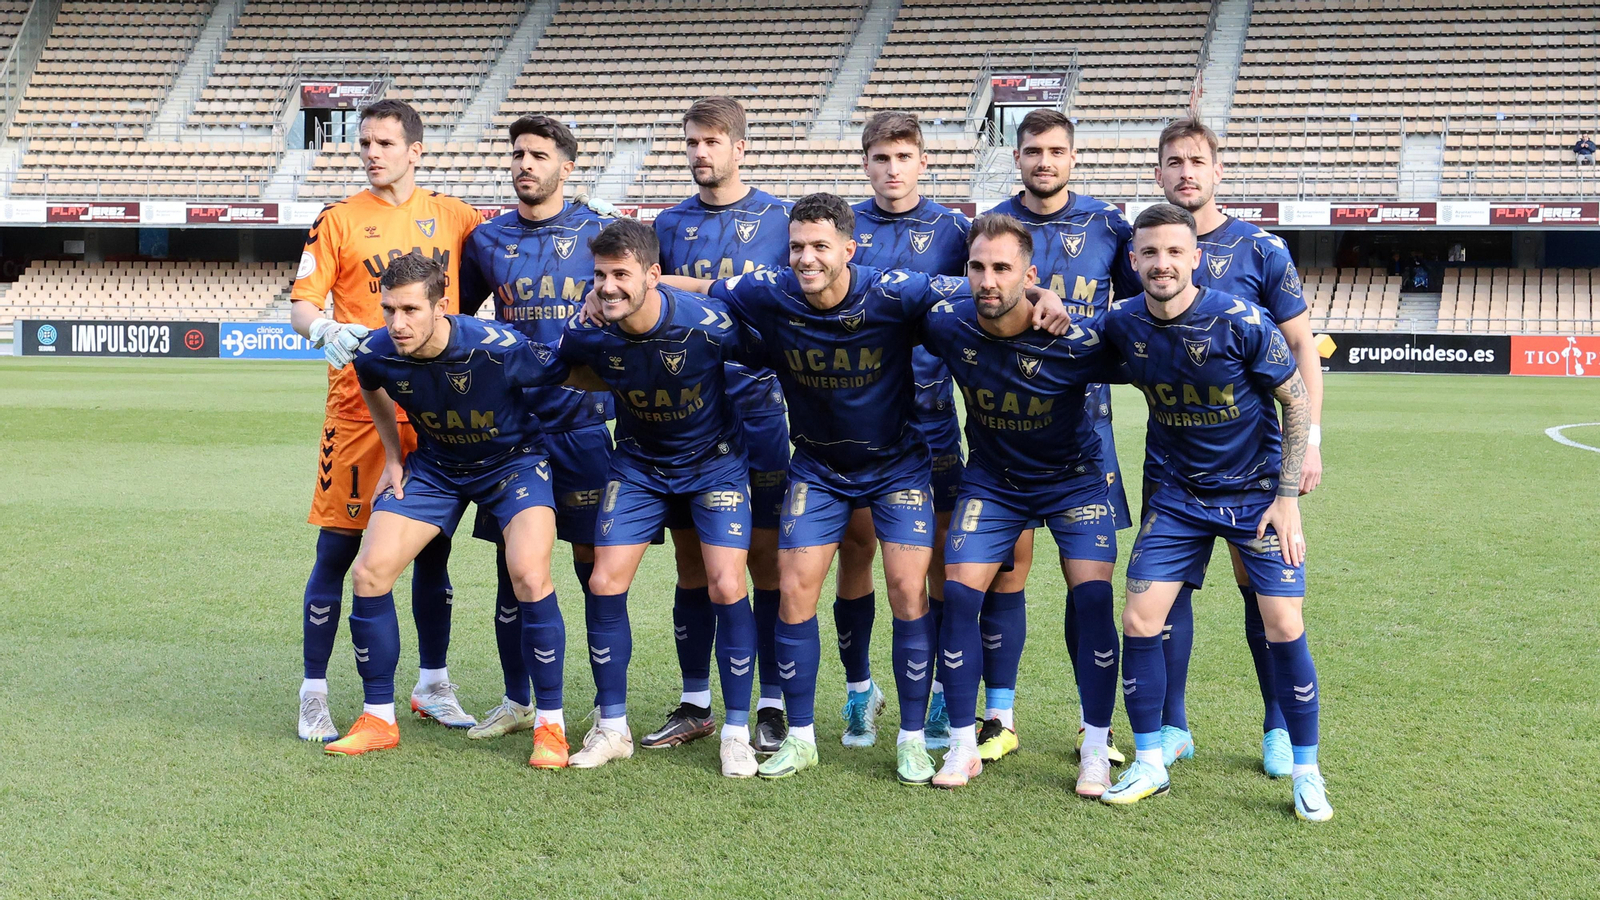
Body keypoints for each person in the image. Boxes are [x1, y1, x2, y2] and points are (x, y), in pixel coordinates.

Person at [654, 192, 1073, 784]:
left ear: (849, 249)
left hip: (899, 467)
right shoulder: (767, 289)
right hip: (818, 469)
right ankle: (800, 738)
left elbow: (978, 291)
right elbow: (698, 291)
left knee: (908, 592)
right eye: (797, 246)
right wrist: (633, 289)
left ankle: (909, 740)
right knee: (796, 592)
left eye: (821, 246)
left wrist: (1043, 295)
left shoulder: (893, 290)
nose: (806, 258)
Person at [1097, 203, 1329, 823]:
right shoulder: (1120, 322)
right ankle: (1150, 760)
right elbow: (1072, 348)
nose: (1162, 263)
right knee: (1140, 619)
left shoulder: (1242, 320)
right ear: (1134, 260)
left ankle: (1305, 770)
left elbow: (1295, 401)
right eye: (1149, 252)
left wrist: (1287, 500)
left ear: (1196, 257)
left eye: (1175, 252)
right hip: (1177, 497)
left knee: (1282, 623)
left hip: (1256, 495)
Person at [326, 252, 578, 761]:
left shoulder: (497, 347)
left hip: (513, 464)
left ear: (441, 306)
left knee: (530, 574)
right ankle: (378, 719)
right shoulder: (376, 349)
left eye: (411, 311)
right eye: (389, 309)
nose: (397, 324)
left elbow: (566, 374)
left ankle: (550, 726)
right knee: (370, 573)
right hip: (437, 468)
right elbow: (370, 383)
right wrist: (394, 456)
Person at [288, 98, 484, 743]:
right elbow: (303, 305)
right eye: (365, 143)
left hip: (437, 410)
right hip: (359, 411)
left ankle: (432, 685)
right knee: (338, 551)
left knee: (433, 554)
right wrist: (326, 331)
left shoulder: (456, 218)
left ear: (415, 150)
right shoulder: (339, 220)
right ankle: (314, 692)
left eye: (384, 143)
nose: (371, 153)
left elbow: (486, 290)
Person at [919, 214, 1122, 796]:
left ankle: (1095, 747)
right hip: (992, 482)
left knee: (1093, 602)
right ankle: (962, 744)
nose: (988, 280)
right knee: (958, 594)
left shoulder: (1074, 338)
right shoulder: (948, 322)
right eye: (978, 267)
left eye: (1003, 268)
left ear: (1029, 274)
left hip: (1075, 481)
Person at [554, 219, 761, 777]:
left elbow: (768, 356)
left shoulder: (708, 323)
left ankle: (736, 732)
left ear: (652, 275)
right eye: (599, 276)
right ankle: (613, 727)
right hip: (639, 465)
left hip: (714, 464)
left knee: (725, 583)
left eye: (621, 274)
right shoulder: (591, 329)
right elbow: (563, 369)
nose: (607, 286)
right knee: (603, 580)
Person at [1151, 117, 1325, 775]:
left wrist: (1309, 443)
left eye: (1197, 160)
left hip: (1253, 460)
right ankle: (1171, 726)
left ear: (1218, 171)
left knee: (1264, 591)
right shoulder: (1144, 243)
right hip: (1171, 456)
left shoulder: (1261, 249)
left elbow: (1302, 349)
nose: (1186, 172)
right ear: (1158, 172)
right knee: (1168, 592)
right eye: (1174, 162)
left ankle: (1278, 726)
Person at [983, 108, 1140, 766]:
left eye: (1056, 151)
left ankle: (1090, 726)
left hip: (1086, 434)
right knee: (1004, 576)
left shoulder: (1109, 225)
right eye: (1032, 150)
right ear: (1015, 157)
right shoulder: (991, 224)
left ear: (1073, 157)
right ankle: (999, 715)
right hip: (1005, 433)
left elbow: (1137, 313)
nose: (1044, 161)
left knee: (1090, 585)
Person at [457, 115, 615, 741]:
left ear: (566, 167)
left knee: (593, 566)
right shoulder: (486, 240)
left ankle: (609, 703)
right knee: (511, 567)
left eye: (539, 155)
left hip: (582, 423)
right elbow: (457, 319)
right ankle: (516, 698)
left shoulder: (598, 231)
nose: (525, 164)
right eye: (518, 153)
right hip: (514, 430)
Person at [649, 97, 794, 752]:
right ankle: (695, 701)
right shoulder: (667, 222)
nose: (701, 153)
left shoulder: (779, 218)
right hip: (687, 416)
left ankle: (770, 702)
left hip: (759, 408)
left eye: (713, 141)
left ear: (741, 148)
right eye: (692, 142)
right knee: (691, 563)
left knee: (763, 558)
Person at [840, 111, 972, 750]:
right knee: (857, 551)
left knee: (937, 561)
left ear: (923, 162)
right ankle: (860, 691)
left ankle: (944, 696)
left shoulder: (954, 228)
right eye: (880, 159)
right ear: (864, 163)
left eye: (903, 158)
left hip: (932, 420)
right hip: (855, 420)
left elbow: (982, 295)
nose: (892, 170)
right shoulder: (844, 229)